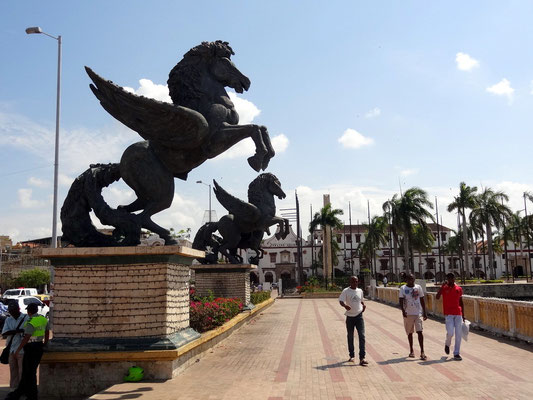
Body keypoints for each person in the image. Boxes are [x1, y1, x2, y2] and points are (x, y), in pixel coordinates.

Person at [6, 303, 50, 400]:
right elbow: (47, 332)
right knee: (31, 372)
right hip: (39, 346)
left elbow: (27, 337)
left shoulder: (31, 321)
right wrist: (45, 343)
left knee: (28, 372)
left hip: (30, 347)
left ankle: (30, 394)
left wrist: (18, 349)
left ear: (29, 311)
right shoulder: (43, 319)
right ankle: (28, 393)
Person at [339, 276, 368, 365]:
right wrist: (345, 306)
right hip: (350, 317)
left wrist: (363, 306)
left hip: (359, 316)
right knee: (350, 336)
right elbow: (341, 300)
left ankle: (362, 358)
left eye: (356, 281)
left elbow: (361, 301)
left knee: (362, 336)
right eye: (353, 281)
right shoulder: (346, 291)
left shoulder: (360, 291)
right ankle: (351, 355)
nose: (355, 283)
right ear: (350, 282)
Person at [436, 273, 465, 360]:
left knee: (458, 334)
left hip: (458, 313)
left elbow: (461, 301)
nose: (451, 280)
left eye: (452, 278)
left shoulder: (458, 288)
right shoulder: (444, 288)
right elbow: (437, 297)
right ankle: (447, 344)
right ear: (447, 279)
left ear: (454, 279)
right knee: (450, 332)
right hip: (448, 314)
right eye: (449, 278)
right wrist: (442, 287)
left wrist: (463, 315)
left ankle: (456, 353)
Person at [399, 274, 427, 360]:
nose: (411, 280)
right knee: (410, 332)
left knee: (420, 331)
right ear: (406, 280)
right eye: (409, 279)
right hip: (408, 313)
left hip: (418, 313)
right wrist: (403, 311)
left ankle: (422, 351)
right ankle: (411, 350)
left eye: (412, 278)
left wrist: (424, 312)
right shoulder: (403, 288)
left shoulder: (418, 287)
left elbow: (422, 299)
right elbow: (401, 300)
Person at [1, 303, 28, 389]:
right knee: (13, 372)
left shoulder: (26, 318)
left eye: (14, 311)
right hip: (11, 349)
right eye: (11, 311)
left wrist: (13, 331)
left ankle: (22, 389)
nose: (12, 313)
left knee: (22, 372)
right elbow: (4, 333)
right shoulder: (8, 319)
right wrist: (18, 331)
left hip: (22, 350)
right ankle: (13, 390)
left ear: (18, 309)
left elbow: (28, 333)